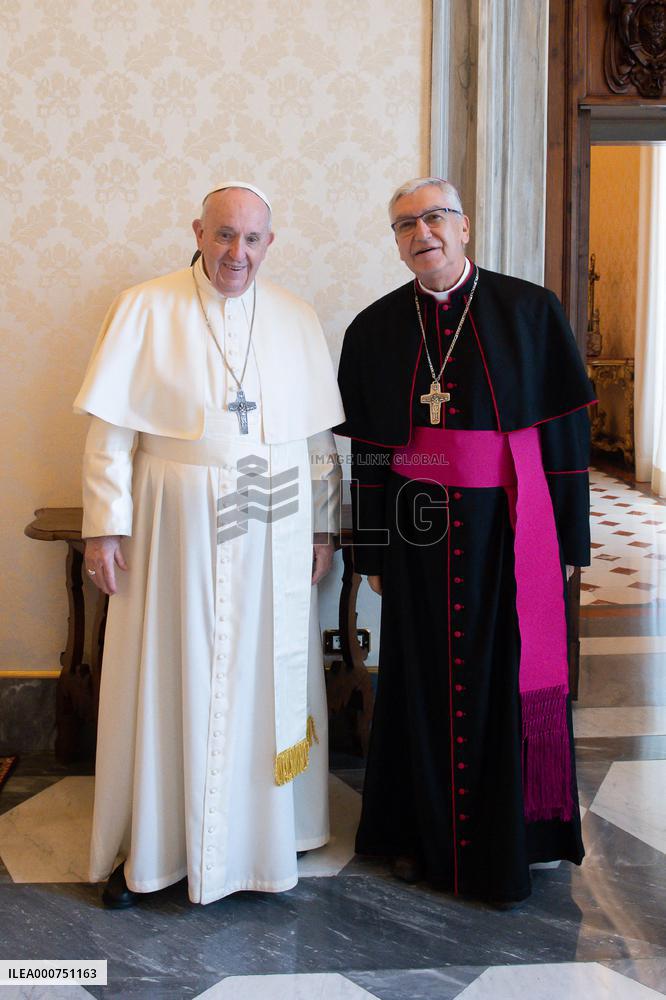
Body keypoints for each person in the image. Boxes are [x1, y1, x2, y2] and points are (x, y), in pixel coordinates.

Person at [74, 182, 344, 908]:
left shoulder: (294, 317)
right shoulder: (145, 305)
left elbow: (317, 441)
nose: (237, 253)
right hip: (171, 524)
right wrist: (105, 522)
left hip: (274, 523)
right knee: (171, 667)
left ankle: (263, 839)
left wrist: (323, 524)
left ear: (270, 243)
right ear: (198, 230)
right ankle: (158, 843)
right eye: (225, 235)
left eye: (252, 239)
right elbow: (110, 433)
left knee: (264, 668)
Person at [334, 177, 594, 905]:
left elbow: (564, 434)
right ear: (397, 240)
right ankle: (418, 836)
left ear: (465, 226)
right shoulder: (377, 327)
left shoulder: (529, 311)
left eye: (436, 217)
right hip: (417, 541)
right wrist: (375, 550)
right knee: (417, 681)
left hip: (509, 536)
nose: (423, 233)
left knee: (504, 678)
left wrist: (570, 539)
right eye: (406, 224)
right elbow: (373, 452)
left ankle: (511, 839)